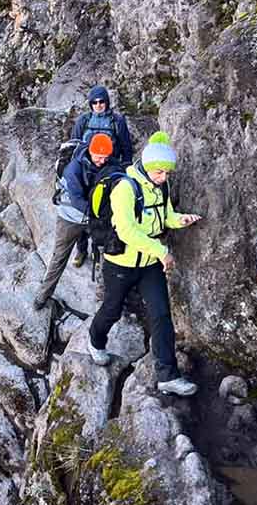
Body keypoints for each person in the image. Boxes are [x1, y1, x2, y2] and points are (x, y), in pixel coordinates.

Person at [86, 133, 201, 397]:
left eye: (167, 173)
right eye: (159, 172)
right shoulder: (125, 189)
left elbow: (165, 215)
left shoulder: (162, 186)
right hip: (120, 263)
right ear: (147, 167)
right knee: (112, 309)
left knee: (161, 314)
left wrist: (181, 219)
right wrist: (161, 251)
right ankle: (95, 339)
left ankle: (167, 376)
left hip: (149, 264)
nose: (163, 177)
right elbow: (126, 230)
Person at [34, 133, 119, 310]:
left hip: (93, 216)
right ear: (90, 151)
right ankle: (42, 295)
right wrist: (100, 216)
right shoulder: (73, 168)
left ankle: (103, 296)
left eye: (105, 157)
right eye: (98, 157)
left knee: (107, 252)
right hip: (70, 218)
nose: (102, 161)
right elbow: (76, 199)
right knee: (59, 257)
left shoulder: (109, 163)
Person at [71, 85, 134, 166]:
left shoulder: (117, 120)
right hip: (85, 165)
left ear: (106, 102)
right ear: (91, 104)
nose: (98, 105)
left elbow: (126, 147)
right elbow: (73, 144)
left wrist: (126, 165)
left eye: (101, 101)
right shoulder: (83, 120)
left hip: (110, 165)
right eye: (94, 102)